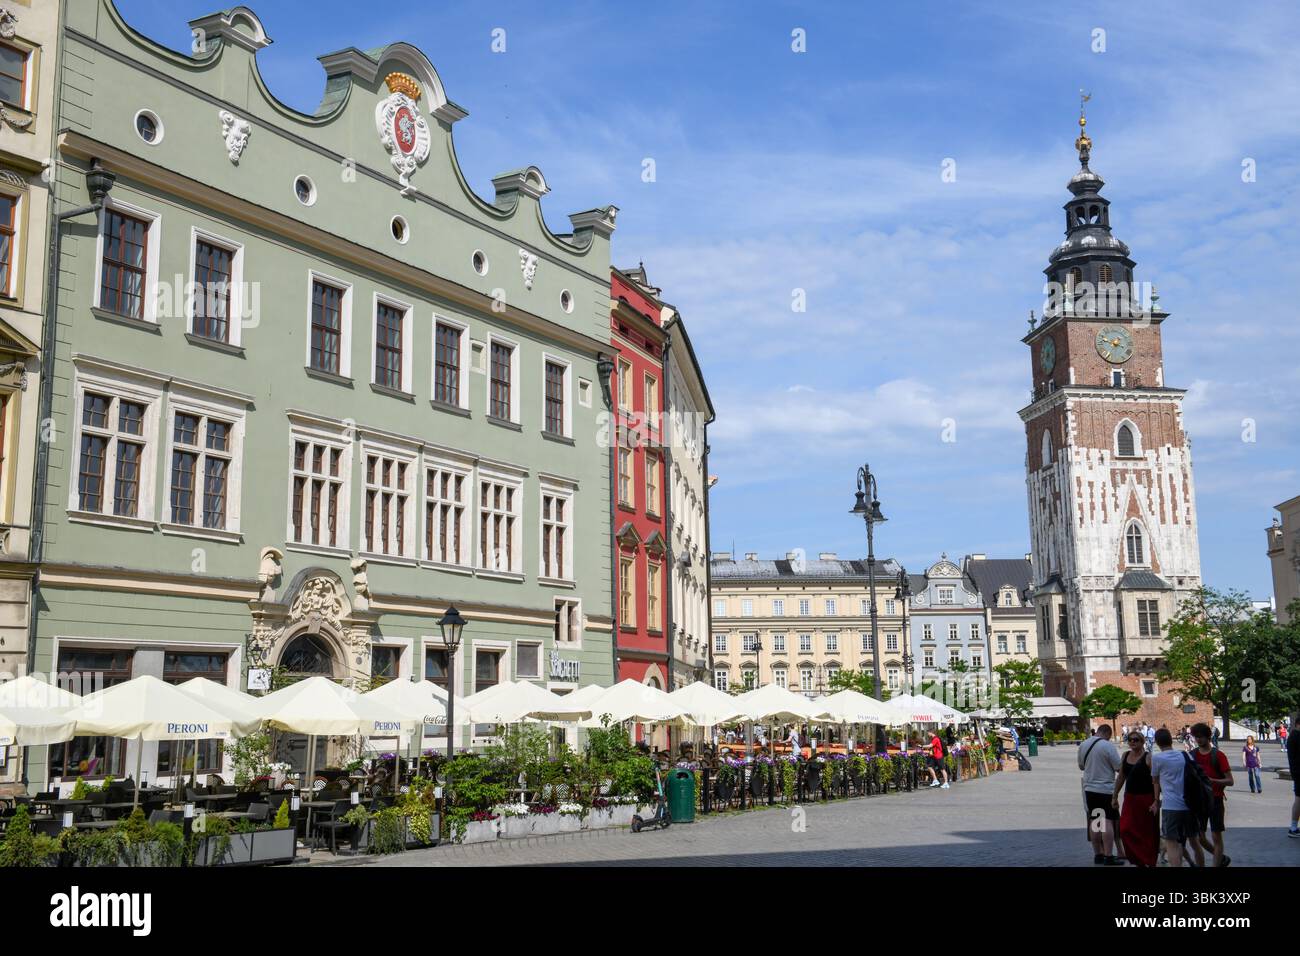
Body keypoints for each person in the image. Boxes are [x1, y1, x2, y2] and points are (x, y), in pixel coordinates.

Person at [1151, 727, 1203, 867]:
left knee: (1172, 844)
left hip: (1170, 806)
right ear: (1171, 740)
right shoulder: (1185, 755)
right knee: (1194, 842)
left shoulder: (1157, 758)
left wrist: (1156, 800)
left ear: (1157, 742)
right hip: (1189, 805)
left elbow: (1155, 781)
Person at [1078, 724, 1124, 865]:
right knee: (1107, 821)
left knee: (1095, 821)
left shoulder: (1084, 744)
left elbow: (1081, 766)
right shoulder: (1108, 746)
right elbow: (1118, 767)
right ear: (1108, 734)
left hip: (1090, 790)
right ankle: (1109, 856)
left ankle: (1098, 854)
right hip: (1105, 790)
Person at [1113, 729, 1158, 867]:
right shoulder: (1125, 755)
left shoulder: (1149, 757)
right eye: (1130, 739)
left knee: (1146, 832)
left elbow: (1156, 780)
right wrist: (1114, 796)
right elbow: (1121, 776)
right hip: (1130, 798)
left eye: (1136, 740)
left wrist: (1156, 800)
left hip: (1146, 799)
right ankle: (1138, 859)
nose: (1132, 742)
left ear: (1142, 742)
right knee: (1125, 829)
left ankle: (1148, 861)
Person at [1190, 722, 1233, 867]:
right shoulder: (1192, 755)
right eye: (1196, 737)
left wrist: (1212, 780)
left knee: (1216, 835)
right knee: (1200, 837)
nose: (1198, 740)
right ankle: (1220, 857)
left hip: (1215, 799)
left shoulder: (1218, 755)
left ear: (1208, 737)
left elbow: (1230, 781)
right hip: (1199, 800)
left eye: (1201, 737)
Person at [1288, 712, 1300, 838]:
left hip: (1296, 772)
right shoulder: (1297, 736)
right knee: (1299, 800)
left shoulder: (1292, 736)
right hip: (1299, 772)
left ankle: (1293, 826)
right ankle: (1293, 827)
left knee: (1298, 799)